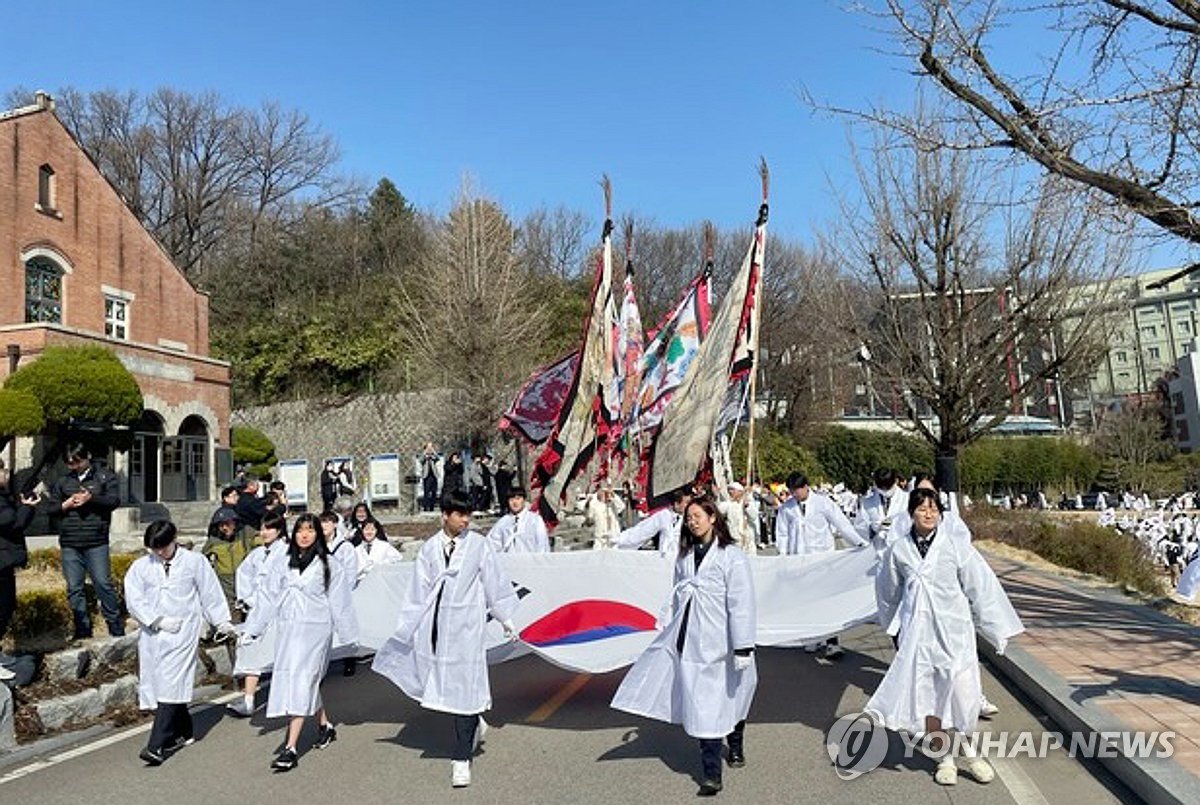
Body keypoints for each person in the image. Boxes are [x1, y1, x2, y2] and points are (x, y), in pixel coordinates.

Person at [866, 487, 1024, 786]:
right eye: (922, 508)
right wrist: (893, 627)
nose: (928, 513)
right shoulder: (899, 549)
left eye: (933, 508)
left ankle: (971, 754)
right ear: (911, 512)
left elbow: (981, 587)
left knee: (964, 697)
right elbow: (887, 592)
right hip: (919, 638)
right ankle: (944, 759)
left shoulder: (955, 546)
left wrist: (996, 627)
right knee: (930, 700)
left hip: (955, 635)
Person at [611, 497, 757, 796]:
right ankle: (711, 774)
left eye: (697, 515)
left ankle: (737, 743)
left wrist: (742, 646)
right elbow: (678, 597)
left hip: (725, 643)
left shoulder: (732, 556)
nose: (692, 521)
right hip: (694, 642)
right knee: (704, 708)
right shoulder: (684, 556)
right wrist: (675, 632)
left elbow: (742, 604)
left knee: (734, 697)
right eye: (688, 517)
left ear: (712, 517)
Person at [372, 494, 520, 789]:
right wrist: (407, 628)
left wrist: (505, 617)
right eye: (460, 514)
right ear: (445, 515)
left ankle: (461, 757)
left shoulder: (478, 545)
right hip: (436, 626)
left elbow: (493, 581)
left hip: (467, 627)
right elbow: (418, 592)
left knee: (465, 685)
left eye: (468, 515)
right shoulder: (429, 549)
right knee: (445, 685)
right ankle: (475, 721)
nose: (466, 520)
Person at [239, 513, 358, 772]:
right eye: (300, 530)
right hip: (289, 630)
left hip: (316, 631)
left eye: (310, 530)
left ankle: (290, 748)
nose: (304, 535)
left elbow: (341, 601)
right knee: (302, 680)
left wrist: (349, 636)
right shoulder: (283, 562)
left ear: (318, 534)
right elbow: (268, 597)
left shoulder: (330, 564)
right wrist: (253, 629)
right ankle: (325, 727)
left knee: (302, 680)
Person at [125, 520, 234, 765]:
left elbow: (210, 593)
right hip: (153, 633)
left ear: (174, 538)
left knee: (172, 683)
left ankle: (156, 745)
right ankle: (183, 729)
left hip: (183, 631)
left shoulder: (194, 562)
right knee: (159, 683)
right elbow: (134, 598)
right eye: (154, 548)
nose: (159, 552)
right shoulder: (141, 566)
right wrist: (155, 620)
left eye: (163, 546)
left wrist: (221, 621)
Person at [775, 472, 867, 660]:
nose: (795, 494)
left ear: (806, 486)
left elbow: (842, 524)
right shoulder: (787, 508)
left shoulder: (823, 503)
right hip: (799, 560)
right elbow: (782, 534)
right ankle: (812, 637)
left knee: (827, 600)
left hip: (823, 559)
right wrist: (783, 558)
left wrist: (859, 543)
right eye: (792, 491)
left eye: (798, 490)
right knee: (806, 600)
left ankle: (832, 643)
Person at [46, 444, 124, 639]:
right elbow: (50, 508)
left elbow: (114, 501)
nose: (74, 466)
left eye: (77, 461)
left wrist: (91, 498)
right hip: (70, 541)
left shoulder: (104, 476)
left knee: (103, 584)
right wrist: (65, 505)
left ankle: (115, 627)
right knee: (74, 587)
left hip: (96, 540)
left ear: (87, 456)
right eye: (69, 463)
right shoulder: (63, 481)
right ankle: (82, 629)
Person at [227, 514, 289, 718]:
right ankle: (248, 699)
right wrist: (247, 598)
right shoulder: (257, 554)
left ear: (279, 530)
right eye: (262, 528)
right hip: (258, 612)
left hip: (280, 613)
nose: (263, 533)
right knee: (250, 650)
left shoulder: (287, 553)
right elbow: (244, 575)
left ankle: (290, 697)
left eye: (268, 529)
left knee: (284, 656)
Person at [0, 459, 39, 680]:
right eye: (2, 470)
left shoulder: (4, 495)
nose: (6, 474)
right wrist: (26, 508)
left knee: (7, 606)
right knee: (1, 608)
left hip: (4, 562)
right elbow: (11, 522)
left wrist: (27, 507)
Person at [613, 487, 693, 556]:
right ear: (677, 504)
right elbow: (642, 531)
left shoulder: (691, 519)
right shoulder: (664, 515)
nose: (690, 506)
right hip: (666, 559)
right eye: (687, 503)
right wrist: (618, 540)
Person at [486, 486, 550, 553]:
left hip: (530, 561)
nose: (515, 502)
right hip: (508, 560)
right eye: (511, 499)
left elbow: (542, 544)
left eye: (518, 499)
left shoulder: (535, 520)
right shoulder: (503, 522)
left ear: (524, 500)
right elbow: (492, 542)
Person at [857, 468, 908, 546]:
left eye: (888, 488)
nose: (885, 491)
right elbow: (860, 526)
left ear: (896, 481)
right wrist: (875, 529)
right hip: (876, 546)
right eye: (881, 488)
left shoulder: (907, 499)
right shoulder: (867, 502)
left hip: (901, 545)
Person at [718, 482, 756, 556]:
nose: (730, 492)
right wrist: (717, 496)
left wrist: (747, 506)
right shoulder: (728, 504)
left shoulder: (749, 502)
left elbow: (754, 517)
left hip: (747, 538)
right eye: (729, 490)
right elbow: (718, 511)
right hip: (734, 538)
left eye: (732, 490)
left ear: (740, 491)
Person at [584, 484, 626, 549]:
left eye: (606, 494)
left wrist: (612, 494)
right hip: (600, 539)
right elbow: (589, 518)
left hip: (613, 538)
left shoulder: (613, 506)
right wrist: (588, 503)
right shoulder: (594, 506)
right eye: (604, 493)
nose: (606, 495)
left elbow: (622, 506)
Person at [415, 442, 444, 512]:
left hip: (434, 475)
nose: (430, 449)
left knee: (434, 492)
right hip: (426, 476)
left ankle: (432, 507)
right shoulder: (424, 456)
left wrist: (433, 451)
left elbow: (438, 458)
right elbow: (420, 460)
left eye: (431, 447)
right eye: (429, 447)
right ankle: (425, 507)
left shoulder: (433, 456)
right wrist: (425, 453)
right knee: (426, 493)